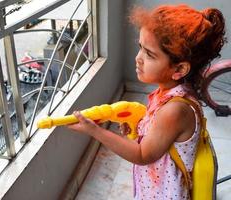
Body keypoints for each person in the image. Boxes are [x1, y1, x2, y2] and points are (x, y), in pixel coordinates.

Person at [67, 4, 226, 200]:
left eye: (149, 55)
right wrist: (138, 129)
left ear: (179, 69)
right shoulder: (166, 92)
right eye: (140, 47)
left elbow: (143, 155)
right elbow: (158, 137)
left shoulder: (175, 110)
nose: (138, 59)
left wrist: (95, 131)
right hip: (155, 186)